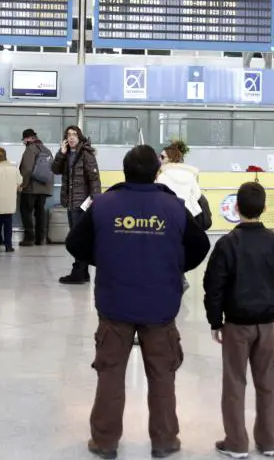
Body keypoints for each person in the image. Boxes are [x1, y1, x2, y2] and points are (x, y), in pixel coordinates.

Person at [66, 145, 211, 460]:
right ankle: (165, 440)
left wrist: (105, 260)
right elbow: (201, 245)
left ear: (125, 171)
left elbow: (74, 242)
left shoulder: (103, 205)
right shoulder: (174, 207)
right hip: (161, 306)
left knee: (110, 374)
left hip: (114, 304)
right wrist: (173, 265)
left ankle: (104, 442)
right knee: (162, 375)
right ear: (156, 173)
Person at [204, 182, 274, 459]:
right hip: (267, 324)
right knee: (267, 383)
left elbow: (214, 285)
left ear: (235, 208)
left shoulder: (227, 244)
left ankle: (236, 443)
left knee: (235, 383)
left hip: (236, 324)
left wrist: (215, 321)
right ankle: (269, 441)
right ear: (265, 208)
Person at [52, 125, 101, 285]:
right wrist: (61, 153)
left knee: (78, 239)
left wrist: (94, 200)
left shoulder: (86, 154)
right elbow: (55, 169)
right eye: (68, 135)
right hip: (71, 202)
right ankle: (83, 272)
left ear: (79, 137)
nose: (71, 137)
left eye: (74, 134)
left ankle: (79, 272)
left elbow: (94, 179)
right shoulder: (66, 155)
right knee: (77, 238)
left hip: (82, 204)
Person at [156, 139, 205, 293]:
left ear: (170, 158)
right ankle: (180, 277)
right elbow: (197, 194)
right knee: (181, 248)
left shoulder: (162, 176)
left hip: (168, 217)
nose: (159, 159)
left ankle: (175, 279)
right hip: (187, 217)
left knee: (168, 249)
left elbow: (159, 196)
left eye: (162, 157)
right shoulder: (190, 174)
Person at [18, 128, 54, 246]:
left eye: (24, 139)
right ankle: (40, 238)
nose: (24, 142)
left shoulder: (30, 149)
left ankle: (29, 238)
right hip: (44, 187)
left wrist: (23, 184)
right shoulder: (46, 150)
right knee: (40, 212)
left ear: (29, 138)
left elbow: (27, 169)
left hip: (31, 188)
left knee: (26, 211)